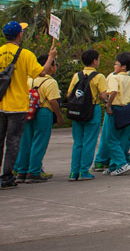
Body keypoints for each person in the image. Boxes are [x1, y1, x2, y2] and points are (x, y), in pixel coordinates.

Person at [0, 21, 56, 190]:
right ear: (19, 35)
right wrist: (51, 57)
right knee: (13, 141)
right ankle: (7, 176)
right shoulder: (25, 54)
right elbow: (43, 72)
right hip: (17, 105)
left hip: (0, 103)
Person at [14, 53, 64, 183]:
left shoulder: (29, 79)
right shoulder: (50, 82)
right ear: (50, 67)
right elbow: (53, 101)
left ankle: (21, 171)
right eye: (54, 64)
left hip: (28, 111)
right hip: (43, 112)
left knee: (26, 142)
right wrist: (59, 116)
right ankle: (34, 171)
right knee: (39, 142)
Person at [67, 49, 108, 181]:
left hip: (77, 111)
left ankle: (74, 172)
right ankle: (84, 171)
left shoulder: (76, 75)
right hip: (92, 109)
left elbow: (69, 94)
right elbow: (103, 95)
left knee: (77, 142)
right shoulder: (99, 76)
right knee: (89, 142)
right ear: (95, 61)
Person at [104, 52, 130, 176]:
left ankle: (121, 163)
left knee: (111, 138)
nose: (115, 66)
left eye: (116, 64)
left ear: (123, 66)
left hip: (117, 109)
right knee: (123, 139)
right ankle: (115, 165)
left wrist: (108, 105)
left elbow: (113, 91)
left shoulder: (115, 77)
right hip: (128, 110)